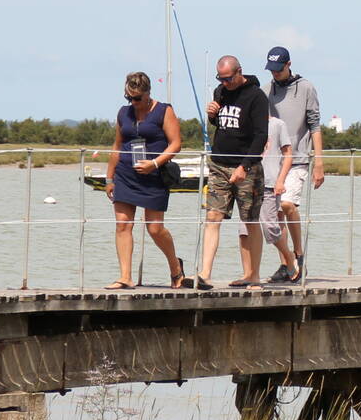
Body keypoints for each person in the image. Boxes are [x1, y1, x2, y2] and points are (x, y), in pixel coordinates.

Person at [102, 72, 189, 290]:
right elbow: (117, 145)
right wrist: (109, 178)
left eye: (138, 98)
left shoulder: (163, 110)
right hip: (125, 174)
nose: (133, 103)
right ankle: (125, 277)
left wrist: (155, 163)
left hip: (154, 175)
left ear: (148, 93)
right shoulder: (124, 113)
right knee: (123, 224)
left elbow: (176, 144)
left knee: (155, 228)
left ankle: (175, 268)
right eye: (129, 98)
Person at [199, 55, 269, 290]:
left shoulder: (256, 96)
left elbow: (261, 135)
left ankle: (254, 276)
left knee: (250, 220)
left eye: (228, 78)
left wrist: (244, 166)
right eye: (221, 78)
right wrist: (211, 114)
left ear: (239, 72)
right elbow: (220, 123)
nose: (225, 83)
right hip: (219, 163)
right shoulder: (220, 91)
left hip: (246, 167)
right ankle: (205, 274)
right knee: (212, 217)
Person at [263, 46, 323, 284]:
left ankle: (298, 255)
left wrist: (319, 162)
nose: (275, 74)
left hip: (298, 158)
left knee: (287, 205)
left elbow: (315, 125)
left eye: (278, 69)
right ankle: (286, 264)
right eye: (271, 70)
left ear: (288, 65)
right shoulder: (265, 91)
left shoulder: (306, 87)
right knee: (275, 213)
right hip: (272, 161)